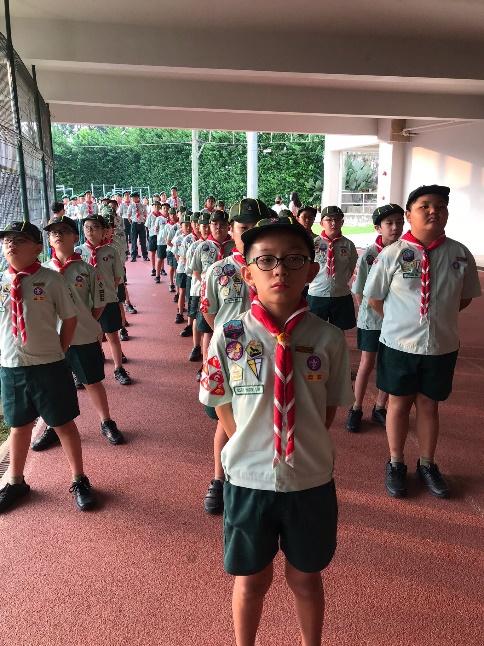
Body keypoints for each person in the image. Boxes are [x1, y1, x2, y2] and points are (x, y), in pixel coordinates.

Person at [199, 215, 353, 646]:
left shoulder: (328, 338)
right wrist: (251, 443)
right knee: (250, 580)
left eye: (293, 259)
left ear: (313, 269)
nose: (279, 270)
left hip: (310, 479)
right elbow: (222, 404)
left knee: (307, 577)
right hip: (248, 480)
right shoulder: (228, 336)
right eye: (265, 261)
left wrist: (295, 448)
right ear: (247, 272)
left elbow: (326, 411)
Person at [364, 185, 481, 499]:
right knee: (399, 404)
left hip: (441, 347)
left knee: (430, 406)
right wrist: (403, 320)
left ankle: (428, 463)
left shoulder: (459, 253)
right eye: (425, 205)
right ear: (408, 215)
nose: (434, 211)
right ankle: (396, 462)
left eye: (440, 206)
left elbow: (464, 298)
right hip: (398, 346)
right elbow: (375, 299)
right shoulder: (391, 255)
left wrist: (435, 317)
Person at [0, 221, 96, 513]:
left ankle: (79, 479)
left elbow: (69, 318)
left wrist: (60, 349)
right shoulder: (1, 281)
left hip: (49, 365)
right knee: (18, 426)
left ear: (38, 247)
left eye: (19, 240)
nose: (10, 245)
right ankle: (16, 481)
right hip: (12, 366)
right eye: (6, 241)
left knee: (63, 424)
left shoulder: (52, 280)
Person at [200, 198, 269, 515]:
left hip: (268, 351)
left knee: (265, 413)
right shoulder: (219, 270)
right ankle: (219, 479)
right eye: (244, 228)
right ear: (232, 229)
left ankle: (260, 475)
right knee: (225, 418)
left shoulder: (273, 268)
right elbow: (211, 315)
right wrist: (231, 341)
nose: (251, 234)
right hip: (232, 353)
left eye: (257, 228)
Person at [33, 214, 125, 449]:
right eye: (53, 232)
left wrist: (84, 323)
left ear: (74, 237)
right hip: (50, 342)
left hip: (83, 337)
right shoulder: (41, 272)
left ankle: (106, 422)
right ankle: (54, 426)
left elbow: (99, 302)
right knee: (54, 385)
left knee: (92, 381)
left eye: (63, 231)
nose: (57, 235)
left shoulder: (87, 270)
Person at [346, 204, 404, 433]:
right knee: (367, 364)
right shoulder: (370, 255)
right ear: (377, 228)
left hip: (397, 322)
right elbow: (359, 290)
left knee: (388, 365)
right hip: (372, 320)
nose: (395, 227)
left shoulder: (406, 252)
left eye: (399, 222)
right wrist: (369, 312)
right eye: (389, 223)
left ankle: (380, 407)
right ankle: (356, 407)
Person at [77, 214, 132, 386]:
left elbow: (117, 277)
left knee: (112, 336)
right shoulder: (78, 252)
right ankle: (85, 372)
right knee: (90, 338)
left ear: (104, 231)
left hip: (108, 300)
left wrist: (104, 291)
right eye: (87, 228)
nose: (91, 231)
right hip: (86, 304)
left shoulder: (111, 251)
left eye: (95, 227)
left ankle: (118, 369)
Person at [190, 210, 233, 363]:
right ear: (209, 226)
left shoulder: (235, 246)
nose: (218, 228)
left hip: (230, 297)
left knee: (230, 331)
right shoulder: (203, 247)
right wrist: (206, 287)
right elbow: (196, 271)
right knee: (207, 332)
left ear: (228, 226)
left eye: (222, 224)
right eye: (215, 224)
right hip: (208, 297)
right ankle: (206, 366)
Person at [307, 206, 358, 332]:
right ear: (321, 223)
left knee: (339, 332)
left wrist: (340, 282)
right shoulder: (313, 244)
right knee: (314, 332)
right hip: (317, 295)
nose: (333, 223)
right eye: (329, 220)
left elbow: (351, 267)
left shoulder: (348, 245)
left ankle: (336, 352)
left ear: (342, 222)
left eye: (337, 219)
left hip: (341, 295)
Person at [173, 213, 192, 324]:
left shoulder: (194, 238)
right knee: (182, 291)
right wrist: (182, 262)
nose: (188, 228)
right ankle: (180, 313)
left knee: (189, 293)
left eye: (190, 225)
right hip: (182, 269)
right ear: (182, 226)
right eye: (186, 225)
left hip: (190, 270)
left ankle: (190, 313)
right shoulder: (179, 239)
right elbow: (176, 254)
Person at [127, 192, 148, 262]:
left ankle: (145, 256)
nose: (133, 199)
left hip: (141, 224)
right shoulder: (131, 206)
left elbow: (145, 214)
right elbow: (128, 215)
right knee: (133, 240)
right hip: (134, 224)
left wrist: (143, 221)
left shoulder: (142, 205)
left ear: (138, 197)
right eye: (132, 198)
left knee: (143, 241)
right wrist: (132, 222)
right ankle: (133, 256)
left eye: (135, 197)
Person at [145, 201, 164, 276]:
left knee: (161, 253)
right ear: (153, 207)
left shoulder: (162, 216)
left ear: (160, 207)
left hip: (160, 236)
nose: (156, 207)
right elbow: (147, 226)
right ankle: (153, 268)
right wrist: (149, 236)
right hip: (152, 236)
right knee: (153, 253)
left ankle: (162, 268)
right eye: (155, 206)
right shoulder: (150, 216)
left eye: (158, 206)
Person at [154, 202, 170, 282]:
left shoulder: (171, 218)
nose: (166, 210)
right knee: (160, 258)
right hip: (161, 242)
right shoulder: (159, 219)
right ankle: (157, 275)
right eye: (164, 208)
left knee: (172, 260)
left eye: (167, 208)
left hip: (170, 243)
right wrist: (161, 236)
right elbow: (156, 230)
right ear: (161, 209)